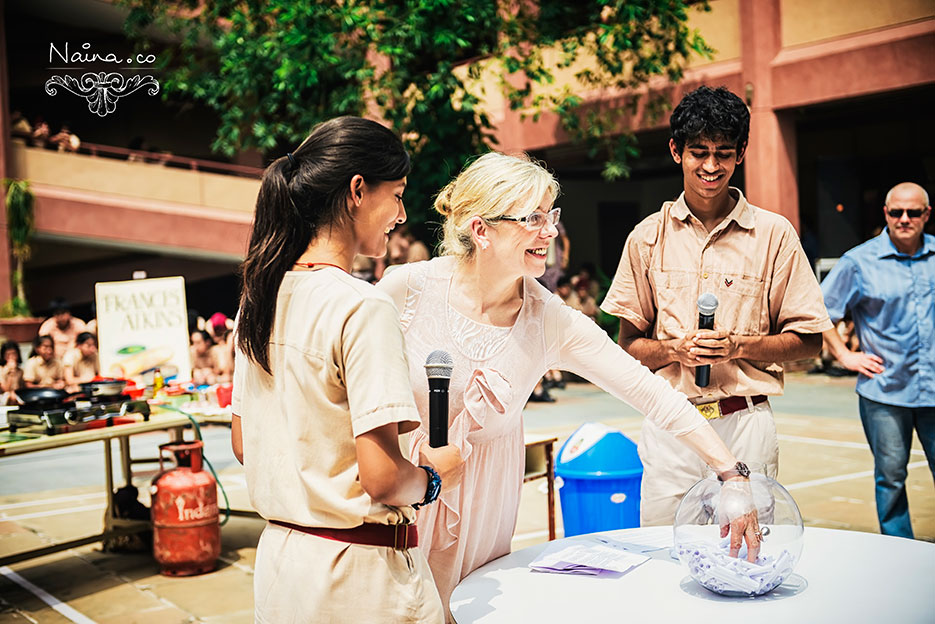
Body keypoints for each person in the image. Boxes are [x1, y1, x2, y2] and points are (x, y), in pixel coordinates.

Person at [377, 151, 761, 614]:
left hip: (483, 513)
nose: (550, 231)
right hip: (400, 494)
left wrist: (730, 474)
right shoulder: (406, 289)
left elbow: (652, 393)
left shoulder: (550, 320)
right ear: (481, 230)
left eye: (551, 215)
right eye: (533, 217)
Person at [229, 116, 463, 623]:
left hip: (283, 567)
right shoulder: (362, 306)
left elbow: (244, 444)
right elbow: (382, 478)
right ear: (358, 190)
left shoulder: (259, 299)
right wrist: (433, 478)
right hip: (359, 578)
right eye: (397, 195)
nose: (400, 214)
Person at [600, 86, 832, 525]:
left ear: (741, 153)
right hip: (671, 424)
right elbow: (627, 345)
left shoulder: (774, 235)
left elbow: (809, 341)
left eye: (723, 153)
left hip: (745, 422)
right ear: (676, 151)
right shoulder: (647, 238)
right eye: (698, 152)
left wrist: (737, 346)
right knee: (666, 551)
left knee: (749, 555)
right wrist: (673, 350)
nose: (711, 166)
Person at [820, 182, 934, 538]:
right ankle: (901, 551)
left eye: (913, 212)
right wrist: (844, 354)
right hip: (885, 392)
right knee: (891, 479)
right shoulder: (858, 262)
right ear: (885, 213)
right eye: (896, 212)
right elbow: (819, 312)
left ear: (926, 215)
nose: (904, 219)